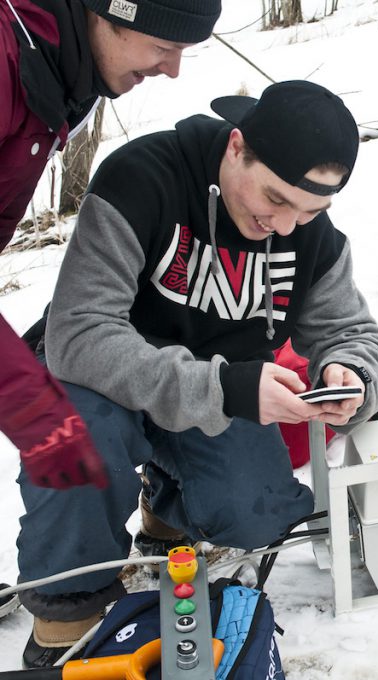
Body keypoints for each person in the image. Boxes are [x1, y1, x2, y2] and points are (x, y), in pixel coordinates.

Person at [17, 79, 378, 668]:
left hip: (211, 394)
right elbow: (80, 333)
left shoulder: (307, 235)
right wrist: (223, 387)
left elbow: (354, 334)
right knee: (82, 451)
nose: (287, 225)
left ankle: (165, 509)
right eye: (276, 199)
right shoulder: (142, 179)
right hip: (98, 379)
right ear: (237, 147)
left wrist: (352, 374)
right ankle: (65, 619)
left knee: (255, 510)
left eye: (311, 210)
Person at [1, 0, 223, 493]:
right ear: (109, 13)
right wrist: (34, 410)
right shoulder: (7, 60)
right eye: (164, 46)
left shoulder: (58, 70)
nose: (172, 69)